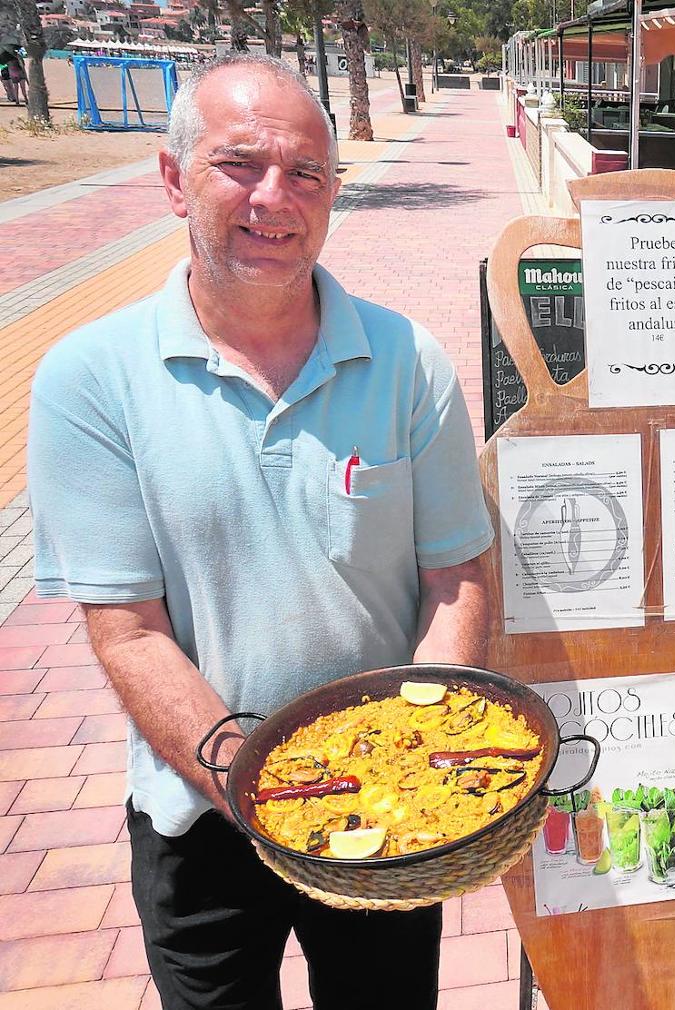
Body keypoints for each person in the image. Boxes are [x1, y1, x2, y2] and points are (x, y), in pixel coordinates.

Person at [28, 52, 493, 1010]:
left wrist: (418, 770)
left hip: (383, 811)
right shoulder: (90, 380)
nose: (274, 200)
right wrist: (260, 789)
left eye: (307, 174)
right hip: (198, 809)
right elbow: (129, 631)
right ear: (173, 179)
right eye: (240, 165)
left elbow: (456, 574)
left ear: (330, 194)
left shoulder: (409, 362)